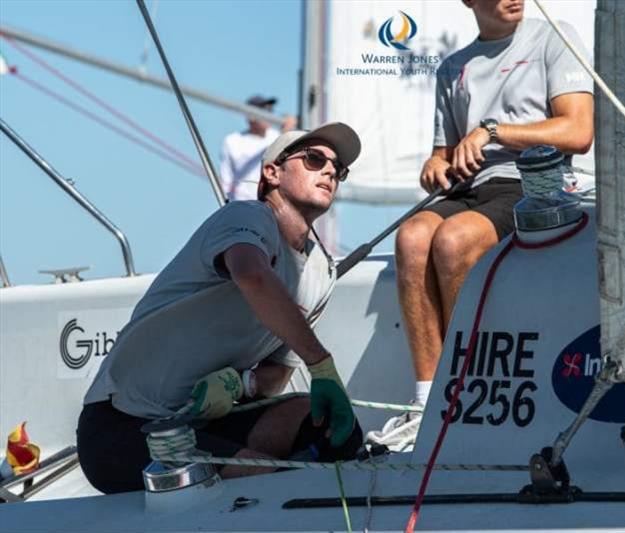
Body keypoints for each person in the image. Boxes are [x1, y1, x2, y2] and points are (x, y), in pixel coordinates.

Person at [77, 122, 362, 494]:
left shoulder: (321, 272)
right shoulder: (246, 217)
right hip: (125, 427)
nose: (328, 170)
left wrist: (239, 383)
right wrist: (322, 365)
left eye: (337, 168)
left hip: (209, 421)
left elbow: (277, 371)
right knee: (268, 485)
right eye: (313, 158)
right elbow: (252, 275)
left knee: (336, 431)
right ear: (272, 172)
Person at [366, 0, 594, 451]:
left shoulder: (554, 36)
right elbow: (441, 154)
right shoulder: (453, 67)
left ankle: (465, 397)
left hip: (535, 182)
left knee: (453, 241)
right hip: (472, 189)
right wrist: (434, 168)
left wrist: (493, 132)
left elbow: (578, 132)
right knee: (411, 238)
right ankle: (426, 405)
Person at [219, 95, 296, 201]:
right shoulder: (233, 141)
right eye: (264, 111)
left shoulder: (277, 137)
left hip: (270, 204)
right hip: (242, 204)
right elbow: (225, 179)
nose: (269, 115)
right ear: (251, 116)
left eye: (270, 111)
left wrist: (288, 132)